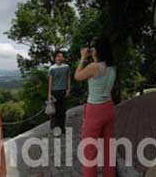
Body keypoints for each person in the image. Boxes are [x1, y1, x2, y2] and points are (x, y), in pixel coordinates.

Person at [74, 40, 117, 177]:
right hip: (109, 108)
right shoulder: (112, 68)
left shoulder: (93, 67)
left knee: (89, 150)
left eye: (94, 48)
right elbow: (100, 70)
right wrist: (94, 56)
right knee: (108, 148)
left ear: (98, 51)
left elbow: (77, 76)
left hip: (95, 110)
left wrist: (82, 58)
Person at [49, 51, 71, 136]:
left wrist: (68, 89)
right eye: (58, 56)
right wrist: (49, 94)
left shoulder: (66, 67)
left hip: (63, 91)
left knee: (63, 111)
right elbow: (50, 82)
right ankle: (56, 129)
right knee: (55, 112)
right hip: (54, 92)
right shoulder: (52, 68)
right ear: (55, 58)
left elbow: (68, 78)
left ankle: (62, 128)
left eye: (61, 56)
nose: (60, 58)